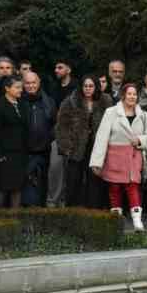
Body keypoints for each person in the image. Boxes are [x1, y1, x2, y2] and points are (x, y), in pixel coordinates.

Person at [91, 81, 147, 230]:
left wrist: (140, 140)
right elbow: (102, 136)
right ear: (123, 95)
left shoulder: (143, 115)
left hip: (133, 156)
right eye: (129, 94)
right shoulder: (111, 112)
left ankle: (137, 221)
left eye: (135, 94)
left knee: (133, 186)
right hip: (115, 156)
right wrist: (96, 162)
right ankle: (116, 221)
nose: (132, 97)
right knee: (115, 187)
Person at [55, 76, 108, 211]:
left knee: (94, 181)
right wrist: (66, 147)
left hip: (96, 146)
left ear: (96, 87)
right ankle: (72, 212)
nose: (88, 89)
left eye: (91, 86)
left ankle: (94, 213)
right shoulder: (71, 101)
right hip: (76, 146)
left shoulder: (105, 101)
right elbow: (62, 125)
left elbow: (111, 124)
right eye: (85, 86)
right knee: (73, 180)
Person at [0, 75, 30, 209]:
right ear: (7, 88)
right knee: (3, 189)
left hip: (20, 154)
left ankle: (15, 219)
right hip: (4, 154)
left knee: (17, 188)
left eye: (21, 87)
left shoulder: (23, 104)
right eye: (17, 87)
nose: (21, 90)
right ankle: (0, 221)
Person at [19, 71, 58, 207]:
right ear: (23, 84)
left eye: (33, 82)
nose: (31, 86)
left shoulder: (49, 101)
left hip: (45, 151)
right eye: (27, 83)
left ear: (39, 82)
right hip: (25, 153)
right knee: (27, 190)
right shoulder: (18, 101)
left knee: (43, 187)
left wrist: (49, 138)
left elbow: (55, 124)